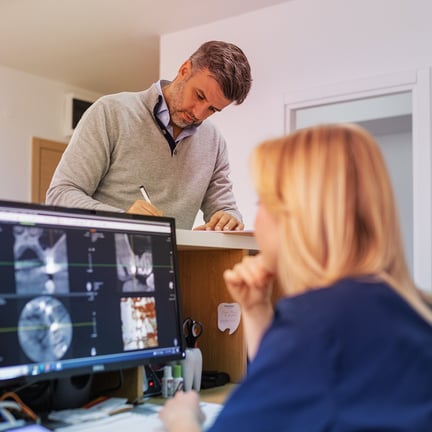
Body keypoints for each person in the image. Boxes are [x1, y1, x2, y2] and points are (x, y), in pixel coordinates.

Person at [159, 123, 432, 431]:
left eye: (263, 204)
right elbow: (288, 393)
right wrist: (256, 309)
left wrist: (182, 420)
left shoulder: (316, 324)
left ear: (298, 217)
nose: (257, 222)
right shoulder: (412, 307)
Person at [46, 41, 252, 231]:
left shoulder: (214, 142)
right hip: (103, 261)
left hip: (168, 266)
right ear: (184, 70)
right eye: (199, 96)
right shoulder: (110, 112)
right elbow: (60, 195)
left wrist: (229, 218)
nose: (199, 114)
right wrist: (122, 218)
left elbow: (224, 207)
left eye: (213, 109)